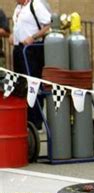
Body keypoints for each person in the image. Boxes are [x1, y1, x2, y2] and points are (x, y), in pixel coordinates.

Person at [11, 0, 50, 130]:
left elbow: (48, 24)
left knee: (33, 83)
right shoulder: (18, 7)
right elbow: (19, 25)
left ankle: (36, 121)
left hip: (31, 49)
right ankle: (23, 119)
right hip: (18, 48)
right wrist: (13, 34)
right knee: (20, 84)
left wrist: (33, 37)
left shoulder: (35, 5)